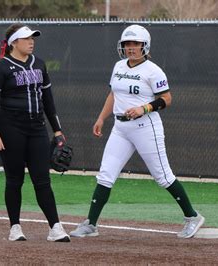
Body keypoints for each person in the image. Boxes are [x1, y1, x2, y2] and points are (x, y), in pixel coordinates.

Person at [70, 25, 205, 239]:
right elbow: (113, 94)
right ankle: (91, 223)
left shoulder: (153, 70)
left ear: (145, 46)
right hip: (120, 127)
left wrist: (144, 108)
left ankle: (192, 216)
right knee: (105, 174)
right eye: (127, 44)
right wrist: (101, 118)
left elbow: (167, 99)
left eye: (135, 44)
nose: (131, 48)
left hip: (146, 127)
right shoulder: (118, 66)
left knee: (162, 177)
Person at [0, 23, 70, 242]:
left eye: (33, 38)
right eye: (27, 38)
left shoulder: (39, 65)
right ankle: (15, 227)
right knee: (14, 179)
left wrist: (57, 130)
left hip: (37, 128)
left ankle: (55, 227)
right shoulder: (0, 68)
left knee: (42, 179)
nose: (31, 42)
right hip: (10, 128)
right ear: (14, 42)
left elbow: (48, 101)